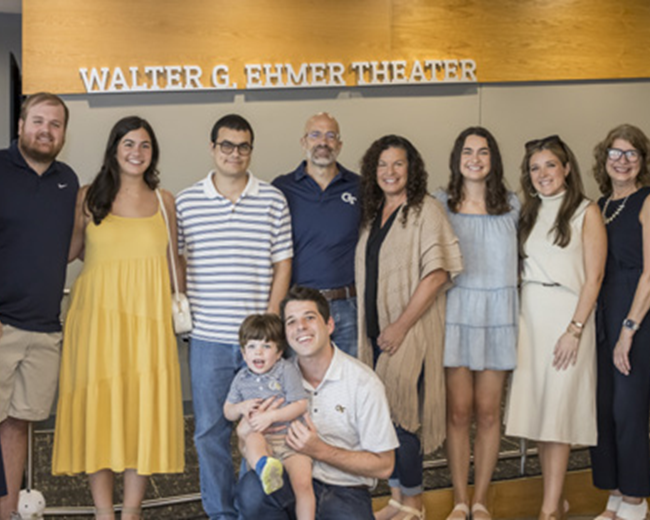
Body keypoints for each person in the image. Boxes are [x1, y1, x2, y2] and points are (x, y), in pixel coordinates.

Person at [51, 116, 185, 520]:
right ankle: (103, 512)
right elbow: (69, 251)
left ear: (153, 154)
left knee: (140, 410)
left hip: (148, 323)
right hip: (95, 321)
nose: (136, 153)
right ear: (114, 149)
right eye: (129, 144)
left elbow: (174, 264)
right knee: (99, 409)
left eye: (144, 146)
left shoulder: (165, 201)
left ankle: (131, 512)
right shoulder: (88, 197)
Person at [176, 114, 293, 520]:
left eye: (242, 146)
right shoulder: (187, 201)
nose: (234, 153)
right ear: (212, 148)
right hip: (207, 338)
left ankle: (251, 509)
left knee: (259, 428)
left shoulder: (273, 199)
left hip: (258, 345)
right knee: (210, 432)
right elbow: (177, 260)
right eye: (226, 145)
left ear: (250, 151)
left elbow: (283, 263)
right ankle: (220, 513)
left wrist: (271, 323)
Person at [356, 135, 463, 520]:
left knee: (403, 417)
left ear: (411, 168)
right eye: (382, 165)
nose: (389, 172)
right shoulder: (376, 212)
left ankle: (415, 505)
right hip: (376, 332)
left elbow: (436, 275)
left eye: (398, 164)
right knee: (384, 417)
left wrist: (401, 326)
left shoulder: (425, 210)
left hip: (410, 330)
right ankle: (398, 498)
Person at [505, 135, 606, 520]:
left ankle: (549, 510)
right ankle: (557, 499)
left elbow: (594, 277)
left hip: (568, 317)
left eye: (550, 165)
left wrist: (575, 328)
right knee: (542, 415)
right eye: (534, 168)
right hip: (531, 316)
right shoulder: (527, 213)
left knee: (559, 414)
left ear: (566, 168)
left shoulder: (585, 211)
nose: (542, 174)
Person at [236, 286, 398, 519]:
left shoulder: (364, 383)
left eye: (309, 318)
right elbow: (250, 446)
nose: (300, 326)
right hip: (290, 480)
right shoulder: (273, 379)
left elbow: (384, 466)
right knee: (251, 491)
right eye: (291, 321)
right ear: (285, 334)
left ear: (329, 325)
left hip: (346, 491)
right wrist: (244, 437)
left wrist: (319, 450)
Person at [434, 127, 519, 520]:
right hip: (456, 316)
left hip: (498, 318)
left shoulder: (515, 207)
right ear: (457, 158)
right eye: (467, 151)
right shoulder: (440, 204)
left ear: (493, 159)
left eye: (483, 152)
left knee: (488, 413)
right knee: (458, 413)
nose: (475, 158)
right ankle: (459, 499)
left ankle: (481, 499)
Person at [0, 93, 78, 520]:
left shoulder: (67, 180)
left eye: (55, 124)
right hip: (1, 325)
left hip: (44, 329)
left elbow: (65, 248)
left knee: (17, 424)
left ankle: (8, 511)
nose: (46, 130)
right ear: (20, 124)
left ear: (64, 133)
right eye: (38, 121)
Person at [589, 124, 650, 520]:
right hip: (603, 312)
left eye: (631, 154)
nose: (623, 161)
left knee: (629, 409)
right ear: (603, 158)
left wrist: (628, 330)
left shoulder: (647, 200)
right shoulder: (600, 204)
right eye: (616, 153)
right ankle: (614, 494)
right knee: (603, 407)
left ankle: (636, 500)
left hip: (637, 315)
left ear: (642, 161)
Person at [273, 113, 360, 356]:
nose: (323, 142)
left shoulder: (360, 187)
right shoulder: (281, 188)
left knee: (348, 385)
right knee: (298, 385)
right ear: (304, 142)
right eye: (315, 135)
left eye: (330, 136)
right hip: (298, 307)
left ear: (339, 145)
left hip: (347, 307)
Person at [224, 313, 314, 519]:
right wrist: (241, 407)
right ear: (243, 353)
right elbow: (228, 411)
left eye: (266, 347)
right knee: (254, 438)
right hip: (263, 441)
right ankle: (265, 466)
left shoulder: (285, 370)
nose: (259, 353)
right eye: (252, 347)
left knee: (303, 483)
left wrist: (272, 416)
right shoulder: (241, 378)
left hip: (291, 440)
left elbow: (300, 404)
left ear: (279, 352)